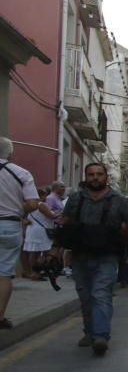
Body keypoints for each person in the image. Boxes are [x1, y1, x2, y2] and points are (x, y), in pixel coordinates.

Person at [50, 162, 128, 356]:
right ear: (86, 177)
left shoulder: (119, 200)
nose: (95, 178)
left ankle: (101, 336)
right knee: (85, 295)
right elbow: (65, 223)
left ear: (106, 177)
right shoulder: (75, 199)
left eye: (99, 174)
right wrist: (54, 249)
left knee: (100, 293)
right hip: (80, 255)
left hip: (107, 256)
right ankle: (89, 332)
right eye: (91, 174)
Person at [0, 137, 40, 328]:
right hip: (9, 225)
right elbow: (33, 203)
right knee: (4, 273)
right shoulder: (21, 173)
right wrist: (18, 209)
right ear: (10, 154)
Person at [24, 187, 59, 280]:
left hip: (32, 230)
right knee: (43, 251)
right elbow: (51, 216)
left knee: (34, 252)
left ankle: (34, 272)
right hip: (41, 231)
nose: (46, 197)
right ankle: (37, 272)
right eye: (45, 195)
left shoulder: (29, 205)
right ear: (40, 195)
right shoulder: (41, 205)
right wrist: (59, 214)